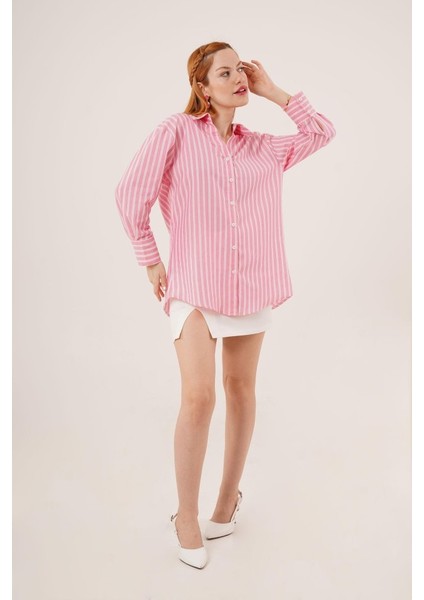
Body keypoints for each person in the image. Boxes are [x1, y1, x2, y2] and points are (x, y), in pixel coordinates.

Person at [115, 41, 336, 569]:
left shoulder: (262, 147)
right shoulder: (174, 132)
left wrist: (273, 91)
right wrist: (151, 259)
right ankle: (186, 516)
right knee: (199, 398)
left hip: (251, 286)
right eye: (225, 73)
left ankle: (226, 500)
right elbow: (129, 193)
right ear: (201, 86)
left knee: (241, 390)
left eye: (241, 70)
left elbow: (321, 132)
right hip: (193, 284)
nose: (238, 78)